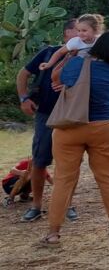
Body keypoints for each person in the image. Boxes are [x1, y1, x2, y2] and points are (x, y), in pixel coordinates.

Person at [39, 30, 109, 246]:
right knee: (108, 177)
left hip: (71, 126)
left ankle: (53, 233)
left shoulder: (78, 63)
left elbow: (56, 78)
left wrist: (70, 56)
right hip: (104, 125)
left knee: (64, 180)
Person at [15, 18, 78, 223]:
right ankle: (36, 206)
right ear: (66, 34)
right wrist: (24, 98)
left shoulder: (87, 57)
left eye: (84, 31)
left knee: (70, 163)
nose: (82, 36)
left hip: (72, 117)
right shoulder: (49, 53)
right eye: (76, 31)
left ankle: (68, 205)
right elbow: (23, 74)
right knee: (40, 161)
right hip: (46, 115)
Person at [37, 13, 103, 72]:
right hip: (79, 70)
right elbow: (59, 52)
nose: (80, 33)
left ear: (96, 30)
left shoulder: (101, 40)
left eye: (84, 30)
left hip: (96, 68)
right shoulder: (75, 42)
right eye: (79, 30)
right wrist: (49, 64)